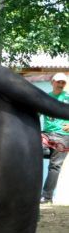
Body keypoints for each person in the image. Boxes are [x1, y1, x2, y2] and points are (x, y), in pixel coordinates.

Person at [41, 72, 69, 203]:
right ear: (52, 82)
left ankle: (46, 197)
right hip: (46, 134)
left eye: (63, 82)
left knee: (54, 166)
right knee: (32, 152)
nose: (61, 84)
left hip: (64, 136)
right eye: (58, 82)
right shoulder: (46, 98)